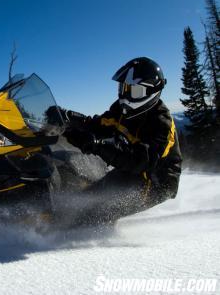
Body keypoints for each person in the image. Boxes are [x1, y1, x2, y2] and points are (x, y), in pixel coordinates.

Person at [59, 57, 182, 226]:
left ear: (151, 91)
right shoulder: (123, 109)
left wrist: (98, 145)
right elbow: (99, 124)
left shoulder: (162, 125)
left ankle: (71, 243)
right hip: (130, 171)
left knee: (92, 214)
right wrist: (66, 118)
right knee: (86, 197)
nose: (125, 95)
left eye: (133, 90)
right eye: (124, 88)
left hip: (154, 182)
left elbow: (140, 161)